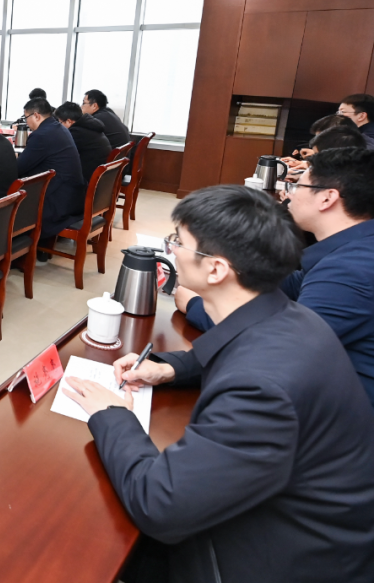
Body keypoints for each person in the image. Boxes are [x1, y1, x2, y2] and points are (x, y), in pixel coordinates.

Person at [63, 185, 374, 583]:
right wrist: (169, 369)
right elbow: (241, 346)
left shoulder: (262, 390)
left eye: (178, 242)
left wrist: (112, 414)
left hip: (275, 557)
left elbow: (160, 505)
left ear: (216, 269)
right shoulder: (290, 316)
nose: (171, 250)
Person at [178, 148, 374, 407]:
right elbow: (288, 285)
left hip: (339, 411)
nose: (288, 194)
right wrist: (226, 276)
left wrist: (198, 306)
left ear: (327, 198)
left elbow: (279, 347)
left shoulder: (349, 271)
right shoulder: (354, 248)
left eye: (297, 185)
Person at [17, 98, 85, 241]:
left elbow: (19, 167)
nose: (26, 122)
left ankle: (19, 244)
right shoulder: (58, 128)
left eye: (26, 117)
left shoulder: (41, 135)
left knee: (12, 196)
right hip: (73, 197)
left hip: (58, 203)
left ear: (36, 116)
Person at [55, 101, 112, 184]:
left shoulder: (76, 133)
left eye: (60, 123)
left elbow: (59, 152)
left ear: (69, 121)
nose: (59, 126)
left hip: (88, 179)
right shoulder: (89, 125)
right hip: (100, 178)